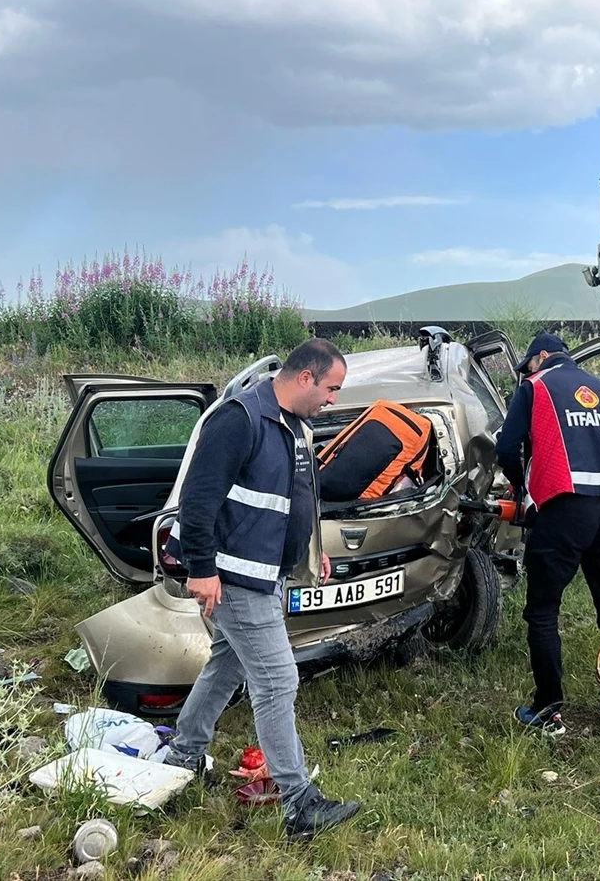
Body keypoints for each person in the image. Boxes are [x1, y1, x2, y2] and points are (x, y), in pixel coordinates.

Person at [161, 338, 361, 842]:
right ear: (306, 378)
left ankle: (182, 756)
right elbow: (198, 501)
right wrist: (202, 569)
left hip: (264, 573)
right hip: (233, 577)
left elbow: (296, 496)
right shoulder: (238, 419)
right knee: (277, 681)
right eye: (332, 388)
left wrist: (311, 547)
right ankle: (299, 805)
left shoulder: (297, 425)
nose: (334, 399)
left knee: (227, 663)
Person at [495, 331, 600, 738]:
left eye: (529, 365)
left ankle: (549, 711)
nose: (528, 372)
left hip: (562, 505)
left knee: (543, 610)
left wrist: (519, 486)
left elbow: (507, 447)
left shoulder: (535, 387)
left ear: (541, 357)